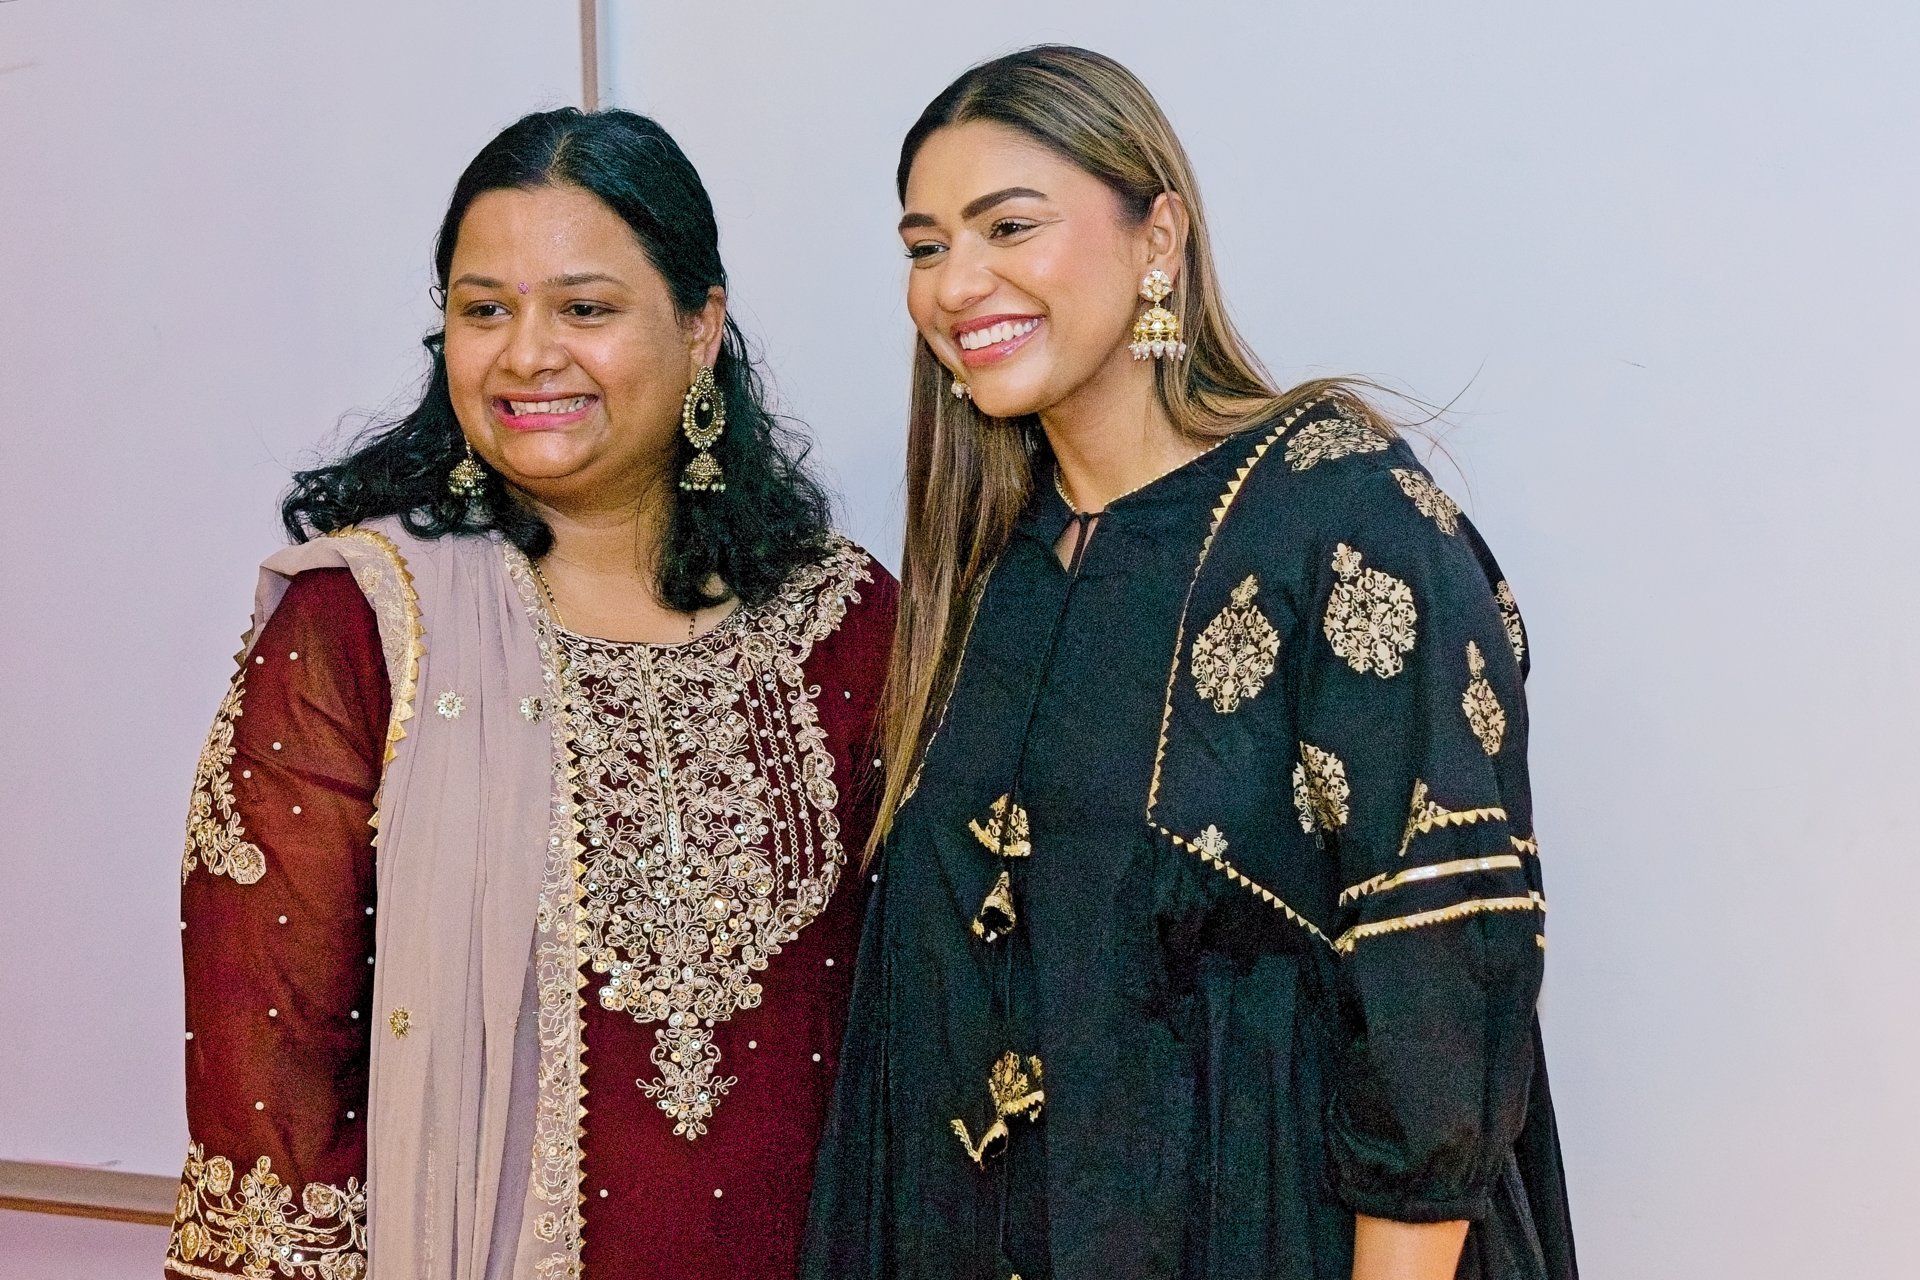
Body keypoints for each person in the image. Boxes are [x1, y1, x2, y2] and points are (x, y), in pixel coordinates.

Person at [804, 46, 1574, 1280]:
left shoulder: (1344, 518)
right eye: (925, 245)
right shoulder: (985, 561)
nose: (956, 283)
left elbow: (1440, 987)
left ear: (1157, 236)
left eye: (1010, 226)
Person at [168, 107, 895, 1280]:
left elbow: (919, 1019)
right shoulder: (363, 628)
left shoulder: (844, 620)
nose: (526, 355)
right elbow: (274, 1071)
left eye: (585, 309)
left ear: (701, 327)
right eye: (484, 309)